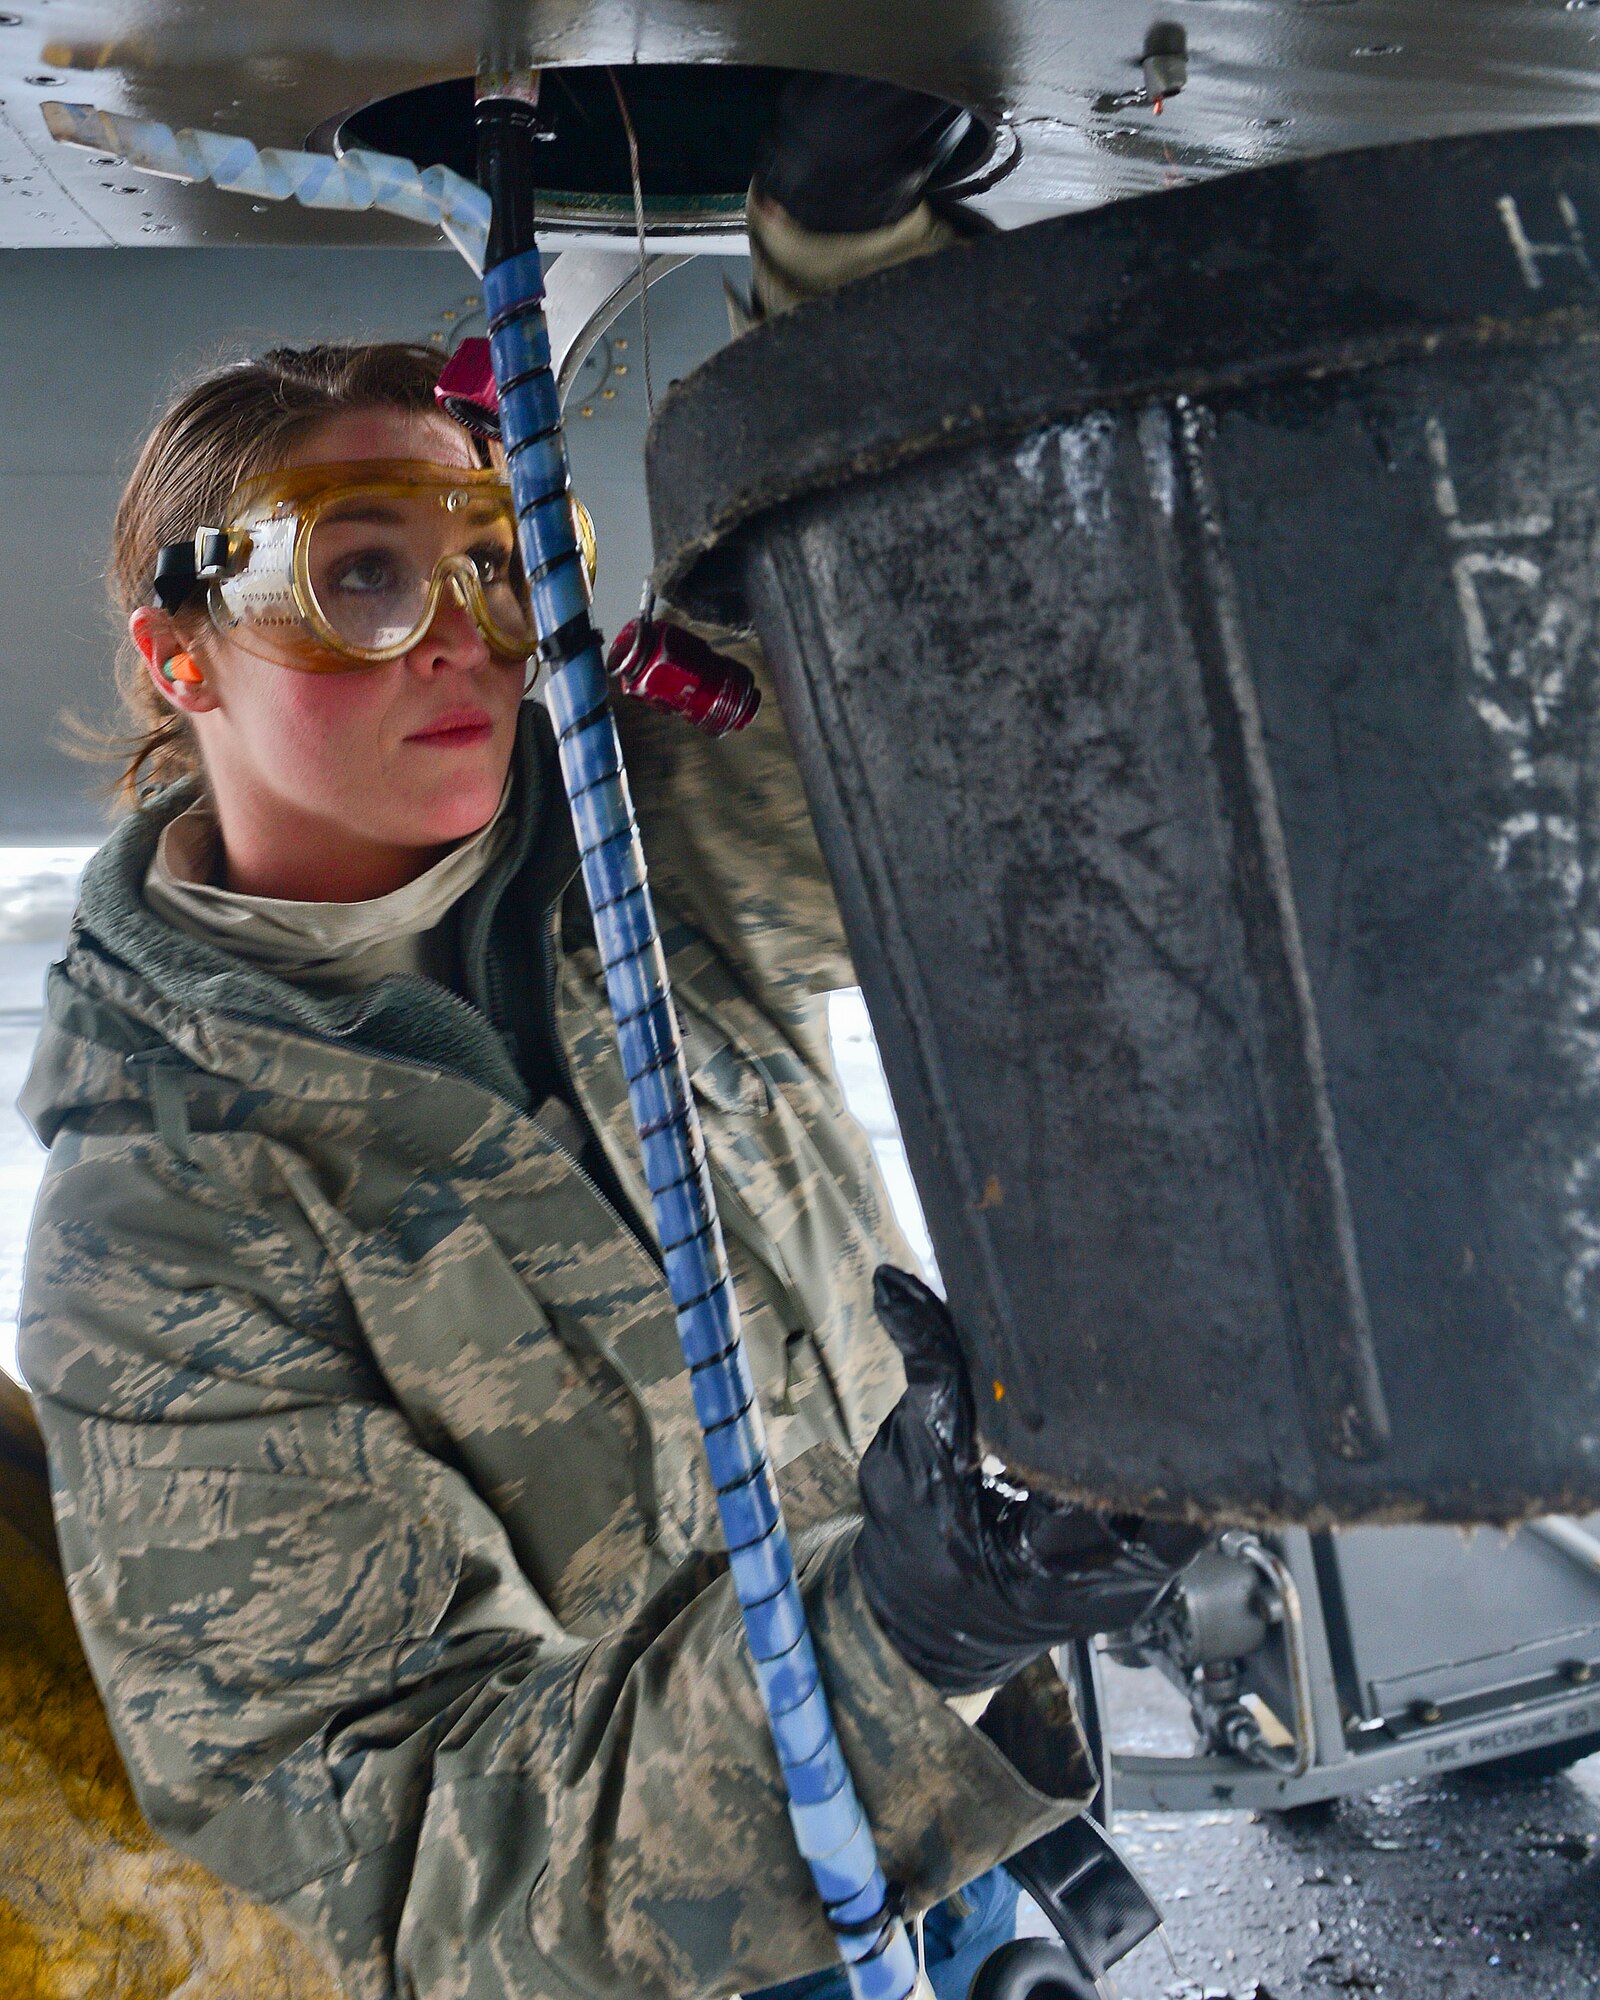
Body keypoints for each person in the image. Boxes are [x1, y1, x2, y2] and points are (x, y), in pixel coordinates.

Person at [17, 86, 1200, 2000]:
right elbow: (397, 1862)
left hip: (976, 1869)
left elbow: (952, 694)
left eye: (498, 563)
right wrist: (901, 1625)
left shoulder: (635, 869)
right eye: (364, 575)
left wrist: (845, 267)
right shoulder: (159, 1235)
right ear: (182, 657)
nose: (466, 642)